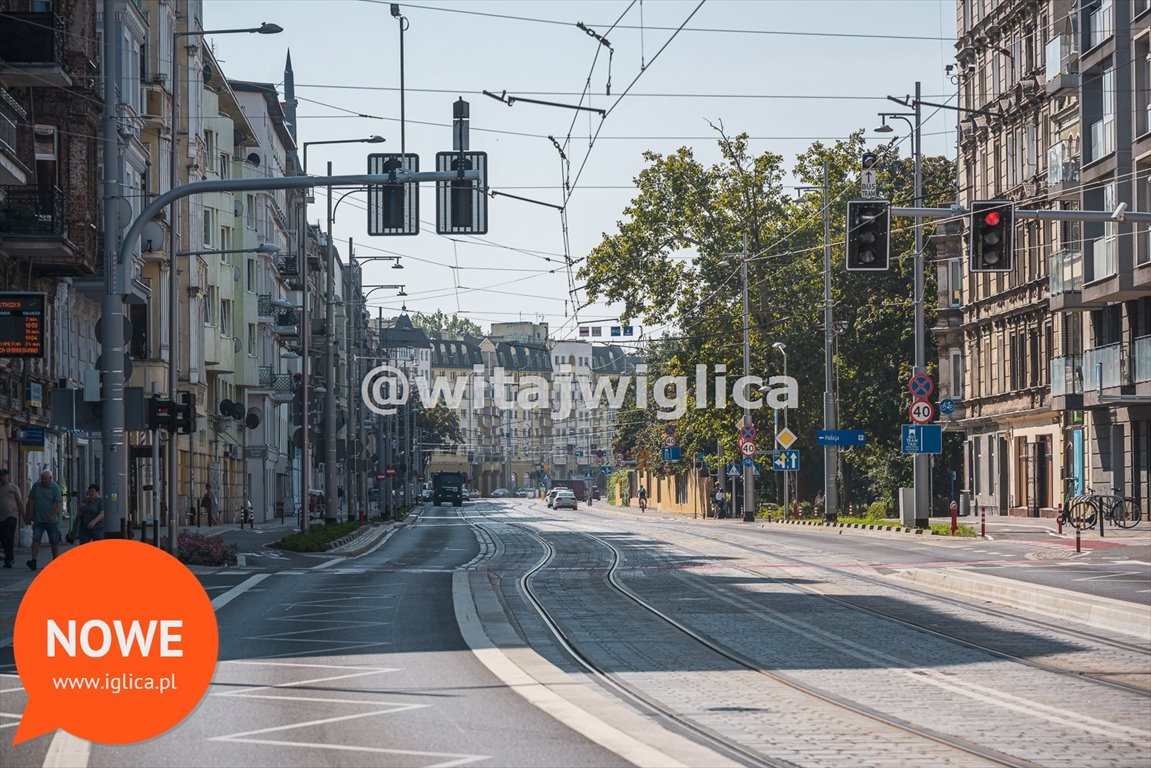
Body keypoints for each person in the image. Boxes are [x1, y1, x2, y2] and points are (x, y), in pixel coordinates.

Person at [26, 469, 63, 570]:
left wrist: (52, 515)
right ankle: (33, 561)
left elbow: (58, 503)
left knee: (54, 541)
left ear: (51, 479)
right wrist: (29, 514)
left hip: (51, 521)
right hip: (38, 519)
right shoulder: (36, 486)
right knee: (36, 539)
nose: (44, 481)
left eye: (46, 479)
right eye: (42, 479)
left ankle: (55, 559)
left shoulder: (55, 488)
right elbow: (31, 500)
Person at [0, 468, 24, 568]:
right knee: (3, 539)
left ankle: (9, 559)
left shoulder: (13, 488)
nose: (2, 478)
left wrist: (24, 515)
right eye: (0, 476)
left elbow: (19, 502)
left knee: (8, 537)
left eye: (3, 476)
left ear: (7, 476)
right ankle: (7, 558)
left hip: (11, 516)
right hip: (1, 517)